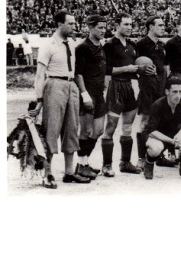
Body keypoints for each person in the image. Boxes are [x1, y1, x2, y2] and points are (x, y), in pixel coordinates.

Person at [28, 10, 90, 188]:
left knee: (72, 129)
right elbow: (39, 75)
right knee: (52, 130)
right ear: (59, 24)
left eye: (74, 23)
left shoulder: (71, 43)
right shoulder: (49, 45)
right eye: (70, 23)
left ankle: (69, 172)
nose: (74, 26)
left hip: (71, 86)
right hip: (54, 85)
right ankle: (48, 174)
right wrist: (39, 100)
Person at [101, 12, 153, 177]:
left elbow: (139, 66)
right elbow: (105, 69)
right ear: (117, 25)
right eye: (126, 24)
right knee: (110, 127)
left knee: (127, 127)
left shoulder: (133, 45)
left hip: (132, 86)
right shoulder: (109, 45)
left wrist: (148, 69)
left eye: (131, 24)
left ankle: (125, 162)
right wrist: (125, 69)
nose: (129, 27)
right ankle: (107, 165)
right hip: (116, 86)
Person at [142, 76, 181, 181]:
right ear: (167, 91)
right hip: (157, 135)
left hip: (174, 133)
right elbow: (152, 131)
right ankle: (148, 163)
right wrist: (172, 141)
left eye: (180, 92)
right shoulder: (158, 105)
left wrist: (180, 135)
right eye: (174, 92)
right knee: (156, 148)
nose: (178, 96)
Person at [74, 15, 108, 180]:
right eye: (100, 27)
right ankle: (81, 165)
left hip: (99, 94)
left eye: (104, 27)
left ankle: (85, 163)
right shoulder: (83, 47)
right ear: (90, 27)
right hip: (88, 94)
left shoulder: (101, 46)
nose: (103, 30)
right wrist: (84, 94)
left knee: (98, 130)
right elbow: (78, 73)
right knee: (86, 131)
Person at [135, 15, 171, 170]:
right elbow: (134, 66)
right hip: (147, 87)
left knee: (161, 120)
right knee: (144, 121)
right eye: (160, 25)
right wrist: (141, 71)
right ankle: (141, 158)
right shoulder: (141, 44)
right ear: (150, 26)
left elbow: (166, 67)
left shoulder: (163, 45)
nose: (163, 28)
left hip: (161, 86)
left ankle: (159, 155)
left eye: (164, 25)